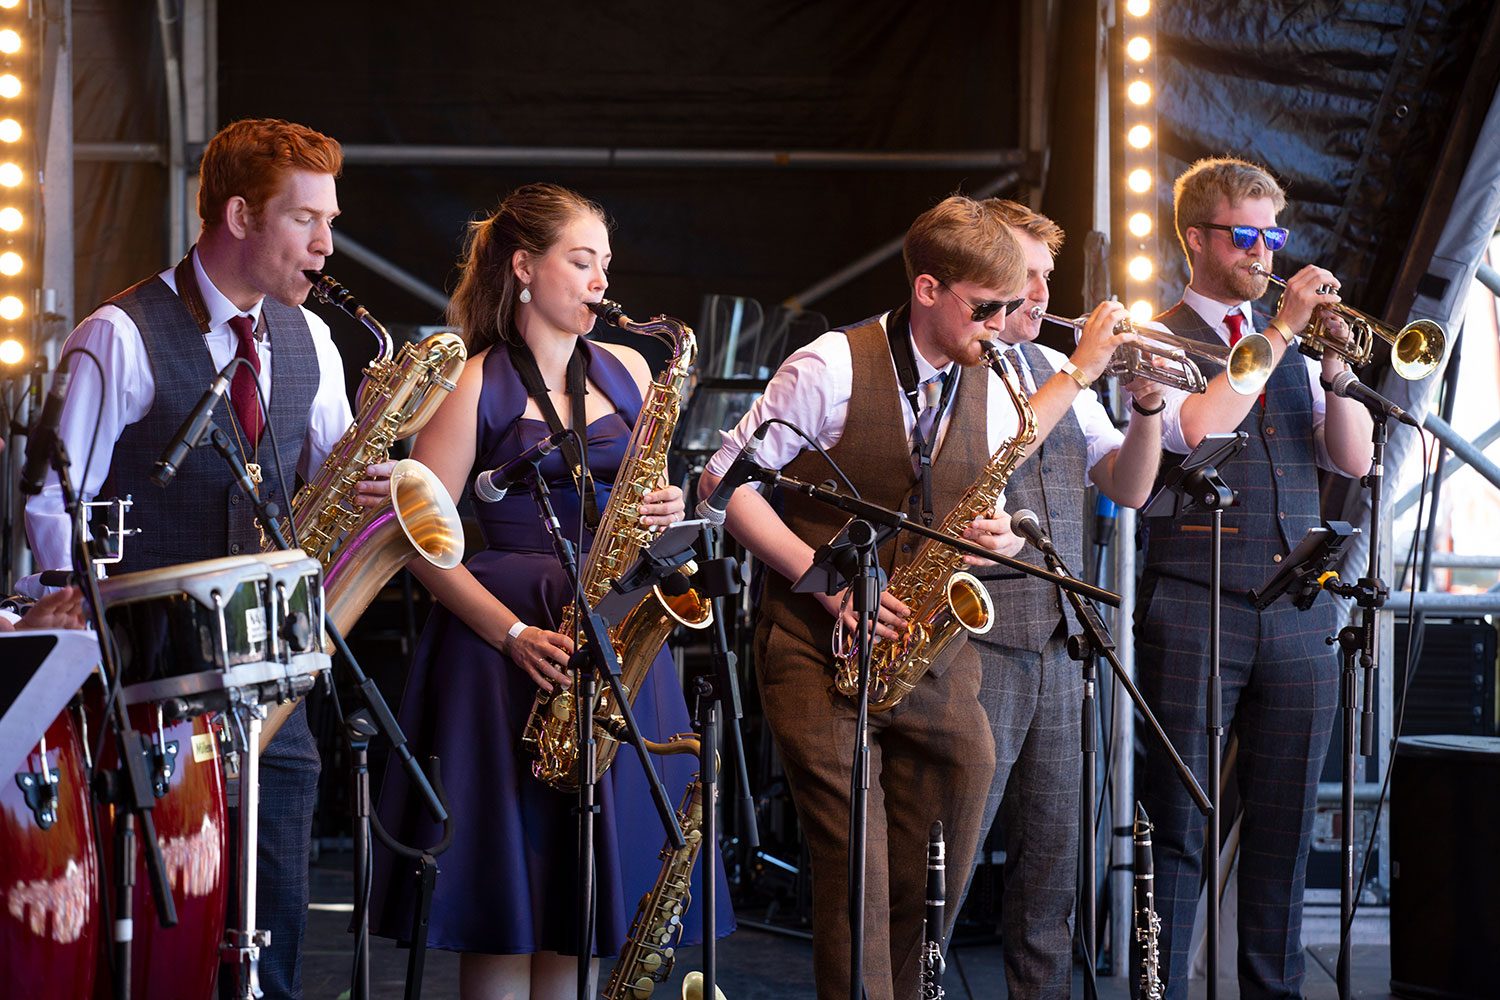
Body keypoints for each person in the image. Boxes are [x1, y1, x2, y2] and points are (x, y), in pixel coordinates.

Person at [24, 117, 380, 999]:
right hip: (151, 695)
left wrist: (382, 482)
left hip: (273, 685)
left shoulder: (314, 342)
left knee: (276, 934)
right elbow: (47, 511)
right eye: (307, 220)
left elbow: (334, 480)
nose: (327, 246)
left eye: (329, 221)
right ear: (239, 215)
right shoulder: (120, 335)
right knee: (165, 939)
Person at [368, 182, 733, 1000]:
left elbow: (643, 501)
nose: (602, 280)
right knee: (506, 906)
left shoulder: (636, 368)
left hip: (617, 639)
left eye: (606, 263)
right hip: (508, 656)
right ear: (525, 267)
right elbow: (419, 544)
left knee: (587, 910)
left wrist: (670, 504)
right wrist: (510, 635)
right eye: (582, 260)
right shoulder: (471, 383)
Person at [699, 194, 1045, 1000]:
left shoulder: (991, 385)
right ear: (928, 289)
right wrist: (826, 581)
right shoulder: (828, 365)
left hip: (927, 652)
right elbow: (725, 486)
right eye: (985, 308)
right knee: (853, 866)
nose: (998, 325)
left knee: (958, 803)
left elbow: (995, 512)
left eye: (1008, 309)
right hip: (814, 649)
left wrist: (1008, 540)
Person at [1136, 156, 1373, 1000]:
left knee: (1282, 833)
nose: (1265, 252)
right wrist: (1276, 335)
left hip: (1298, 611)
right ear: (1197, 238)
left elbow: (1354, 457)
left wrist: (1338, 369)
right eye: (1247, 234)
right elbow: (1197, 431)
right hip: (1195, 603)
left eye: (1274, 233)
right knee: (1178, 827)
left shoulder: (1296, 353)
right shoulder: (1157, 334)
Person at [956, 199, 1164, 998]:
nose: (1041, 294)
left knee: (1052, 874)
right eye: (1027, 274)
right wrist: (1082, 366)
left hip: (1060, 642)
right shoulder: (957, 365)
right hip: (975, 646)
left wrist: (1146, 405)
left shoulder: (1054, 373)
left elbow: (1130, 485)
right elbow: (992, 455)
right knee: (952, 856)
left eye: (1046, 276)